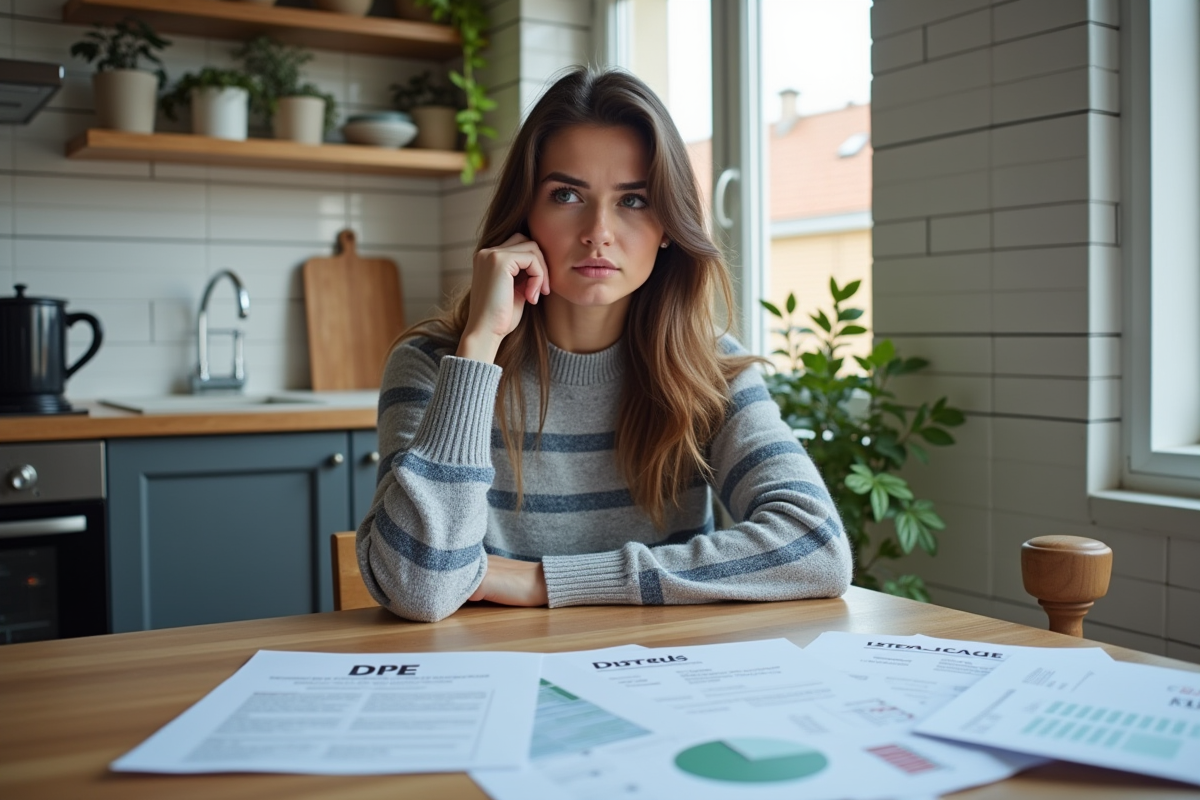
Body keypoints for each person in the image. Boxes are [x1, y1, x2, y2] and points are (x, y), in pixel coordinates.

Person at [357, 66, 851, 623]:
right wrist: (479, 347)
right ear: (525, 214)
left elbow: (817, 548)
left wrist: (549, 581)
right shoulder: (435, 365)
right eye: (567, 194)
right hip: (492, 674)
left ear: (668, 224)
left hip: (662, 673)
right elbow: (416, 589)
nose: (599, 231)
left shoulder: (710, 369)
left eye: (633, 200)